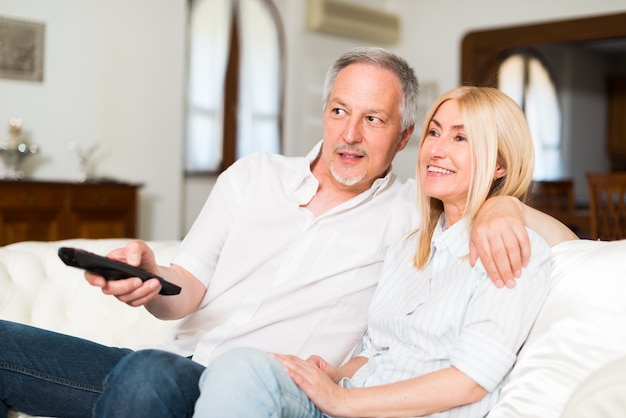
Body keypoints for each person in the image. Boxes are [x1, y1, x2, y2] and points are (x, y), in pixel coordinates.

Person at [0, 48, 574, 418]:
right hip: (174, 369)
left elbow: (550, 235)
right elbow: (187, 288)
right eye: (338, 112)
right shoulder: (253, 176)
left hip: (262, 390)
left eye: (373, 120)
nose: (348, 135)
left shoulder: (409, 212)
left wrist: (504, 206)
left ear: (401, 139)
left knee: (144, 376)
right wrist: (150, 276)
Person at [192, 85, 553, 417]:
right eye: (434, 132)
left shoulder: (510, 248)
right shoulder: (408, 250)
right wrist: (333, 374)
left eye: (460, 137)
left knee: (240, 369)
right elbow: (373, 353)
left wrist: (342, 400)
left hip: (368, 409)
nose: (436, 149)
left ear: (500, 164)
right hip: (348, 404)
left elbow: (470, 380)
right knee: (237, 365)